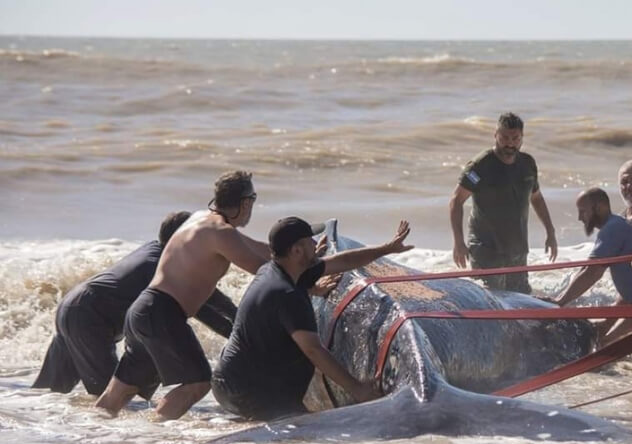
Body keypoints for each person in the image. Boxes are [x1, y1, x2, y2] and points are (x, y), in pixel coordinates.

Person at [95, 171, 272, 420]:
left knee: (121, 391)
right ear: (246, 202)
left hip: (142, 310)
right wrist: (313, 282)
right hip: (163, 314)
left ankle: (91, 436)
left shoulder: (201, 219)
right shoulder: (223, 233)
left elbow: (255, 247)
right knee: (197, 383)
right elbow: (263, 270)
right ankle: (153, 435)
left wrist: (298, 254)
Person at [212, 218, 415, 420]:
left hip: (233, 381)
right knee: (307, 435)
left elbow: (343, 262)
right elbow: (314, 350)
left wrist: (386, 249)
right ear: (296, 251)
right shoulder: (288, 294)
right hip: (246, 391)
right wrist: (358, 389)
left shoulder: (280, 271)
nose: (316, 245)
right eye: (310, 241)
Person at [32, 212, 237, 397]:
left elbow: (209, 298)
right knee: (112, 397)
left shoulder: (154, 251)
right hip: (88, 316)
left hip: (72, 306)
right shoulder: (167, 266)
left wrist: (238, 324)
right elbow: (205, 306)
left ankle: (24, 425)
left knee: (49, 391)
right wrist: (242, 336)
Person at [545, 188, 632, 357]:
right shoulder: (618, 224)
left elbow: (591, 272)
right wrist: (607, 328)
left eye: (583, 211)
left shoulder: (612, 229)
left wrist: (560, 302)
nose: (579, 218)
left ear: (599, 207)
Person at [450, 112, 557, 294]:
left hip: (517, 249)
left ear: (522, 138)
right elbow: (456, 201)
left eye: (515, 138)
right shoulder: (480, 166)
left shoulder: (527, 164)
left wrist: (550, 232)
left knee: (520, 301)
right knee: (490, 304)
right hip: (486, 250)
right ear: (496, 135)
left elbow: (537, 198)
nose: (509, 143)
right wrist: (459, 242)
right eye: (504, 137)